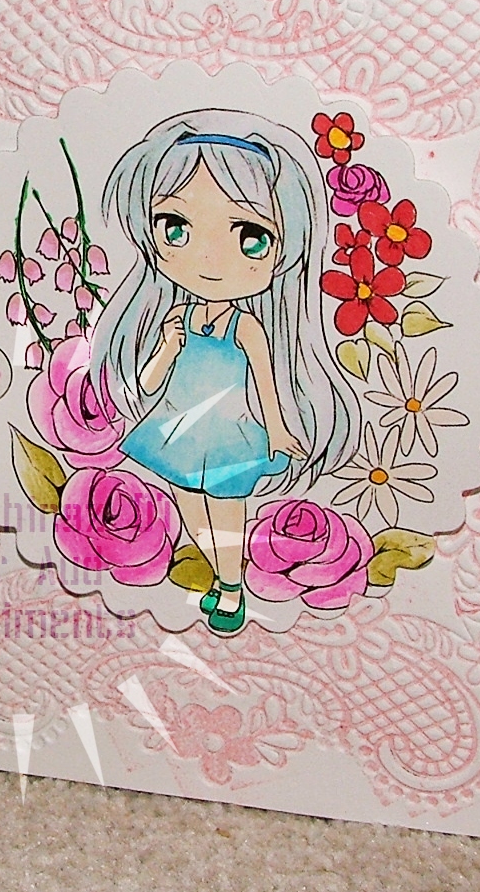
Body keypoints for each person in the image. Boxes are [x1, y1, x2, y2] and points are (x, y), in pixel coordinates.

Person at [90, 108, 359, 633]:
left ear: (285, 251)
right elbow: (150, 382)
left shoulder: (246, 326)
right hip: (176, 427)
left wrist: (278, 429)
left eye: (251, 236)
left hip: (231, 434)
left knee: (227, 509)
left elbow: (267, 382)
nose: (210, 259)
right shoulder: (179, 317)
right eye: (175, 228)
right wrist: (164, 349)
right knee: (191, 504)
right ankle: (222, 575)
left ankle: (232, 588)